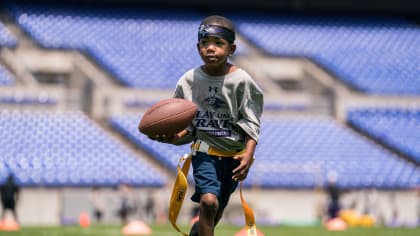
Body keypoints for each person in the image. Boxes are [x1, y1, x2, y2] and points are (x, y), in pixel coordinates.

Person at [149, 15, 263, 236]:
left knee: (215, 211)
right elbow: (188, 128)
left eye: (218, 43)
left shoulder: (242, 81)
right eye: (205, 43)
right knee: (209, 203)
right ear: (197, 46)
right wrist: (171, 137)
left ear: (231, 49)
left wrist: (248, 154)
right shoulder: (188, 81)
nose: (210, 49)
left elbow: (251, 121)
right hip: (205, 153)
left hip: (233, 156)